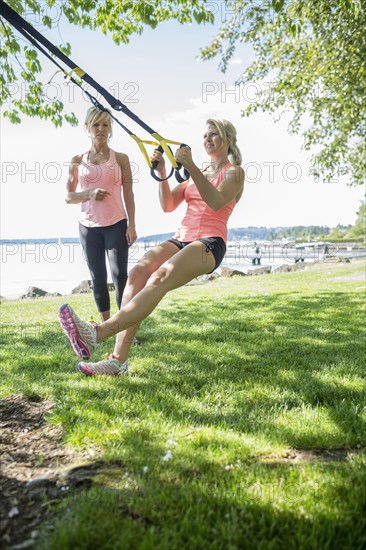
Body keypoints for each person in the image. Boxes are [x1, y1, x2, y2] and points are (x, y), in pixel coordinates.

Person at [59, 118, 245, 376]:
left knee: (160, 276)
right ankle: (117, 361)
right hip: (181, 238)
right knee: (137, 273)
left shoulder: (235, 172)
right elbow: (168, 205)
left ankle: (97, 332)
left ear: (229, 139)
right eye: (205, 135)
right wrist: (161, 174)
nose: (208, 139)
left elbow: (215, 202)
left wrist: (189, 165)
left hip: (210, 242)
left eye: (214, 134)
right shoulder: (199, 173)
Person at [65, 106, 137, 321]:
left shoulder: (121, 159)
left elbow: (129, 194)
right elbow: (69, 197)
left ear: (110, 128)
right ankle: (106, 327)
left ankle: (124, 329)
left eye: (105, 124)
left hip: (116, 223)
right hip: (88, 227)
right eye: (96, 124)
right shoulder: (77, 160)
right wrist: (89, 193)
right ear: (88, 127)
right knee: (98, 278)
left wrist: (132, 224)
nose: (101, 129)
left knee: (120, 277)